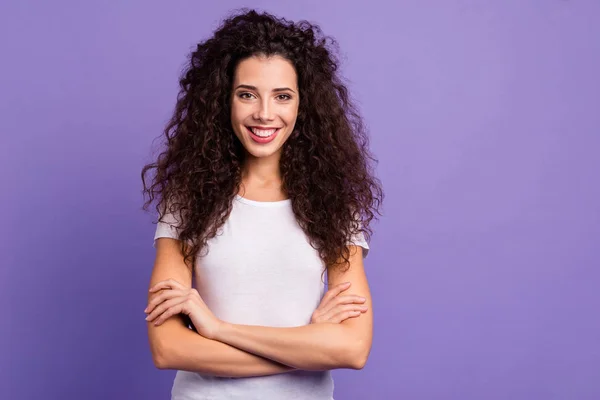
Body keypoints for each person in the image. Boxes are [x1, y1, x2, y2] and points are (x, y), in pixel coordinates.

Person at [140, 8, 383, 400]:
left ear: (303, 105)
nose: (265, 113)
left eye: (282, 96)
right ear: (224, 101)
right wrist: (308, 346)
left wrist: (218, 330)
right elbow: (168, 348)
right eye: (247, 94)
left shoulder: (334, 205)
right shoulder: (188, 199)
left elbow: (353, 349)